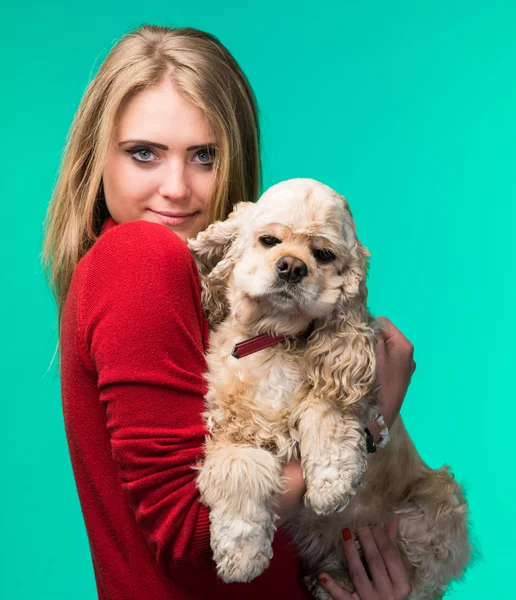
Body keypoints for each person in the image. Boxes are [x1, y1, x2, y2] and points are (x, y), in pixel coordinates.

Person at [43, 24, 416, 600]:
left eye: (204, 157)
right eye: (144, 153)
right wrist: (372, 421)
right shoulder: (140, 257)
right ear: (98, 157)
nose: (175, 188)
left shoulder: (231, 299)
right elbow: (195, 540)